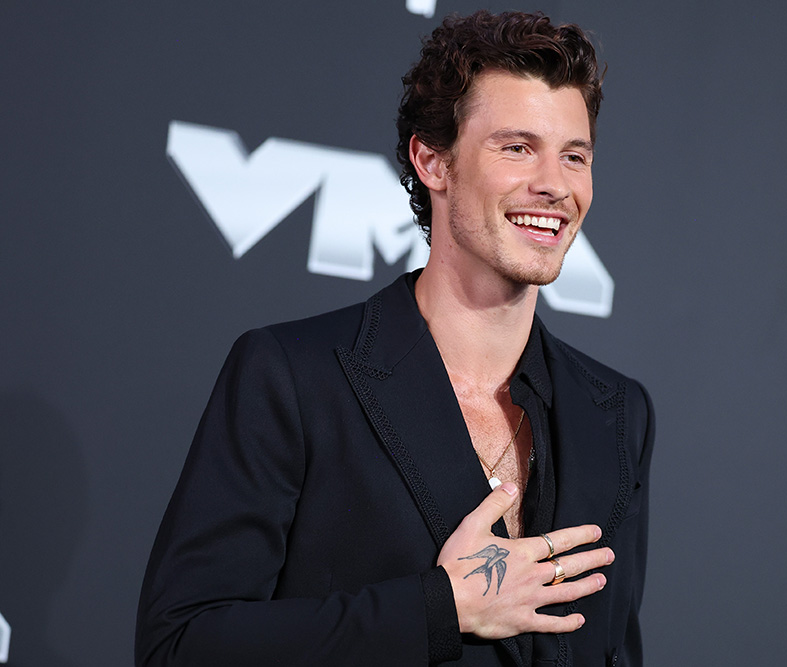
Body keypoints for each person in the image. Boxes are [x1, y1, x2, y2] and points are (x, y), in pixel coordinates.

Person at [136, 10, 654, 667]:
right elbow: (180, 645)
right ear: (432, 161)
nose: (555, 184)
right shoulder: (293, 378)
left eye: (574, 156)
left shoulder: (617, 414)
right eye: (517, 147)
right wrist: (438, 607)